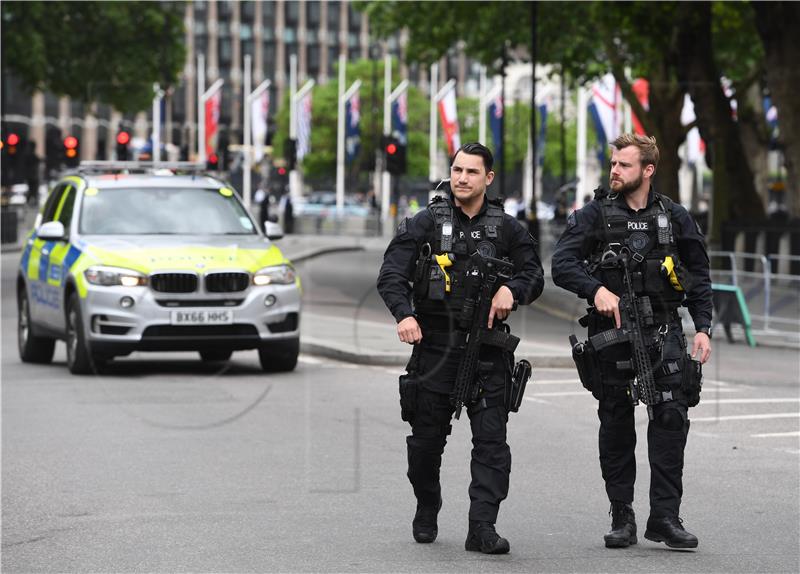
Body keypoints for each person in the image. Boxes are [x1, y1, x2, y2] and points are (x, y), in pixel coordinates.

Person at [377, 142, 544, 554]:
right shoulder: (426, 223)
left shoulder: (507, 229)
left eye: (471, 172)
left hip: (488, 351)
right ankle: (427, 503)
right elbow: (391, 274)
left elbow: (535, 274)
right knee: (425, 444)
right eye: (456, 170)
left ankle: (482, 526)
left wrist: (512, 290)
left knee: (491, 443)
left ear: (488, 178)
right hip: (435, 347)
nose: (462, 178)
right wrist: (404, 315)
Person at [551, 134, 712, 550]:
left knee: (672, 419)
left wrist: (704, 327)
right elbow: (561, 264)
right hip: (613, 336)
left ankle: (665, 517)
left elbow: (698, 274)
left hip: (664, 331)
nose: (615, 171)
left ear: (648, 169)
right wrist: (595, 290)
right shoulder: (593, 216)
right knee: (617, 421)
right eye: (613, 164)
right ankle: (622, 515)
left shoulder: (674, 217)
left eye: (624, 164)